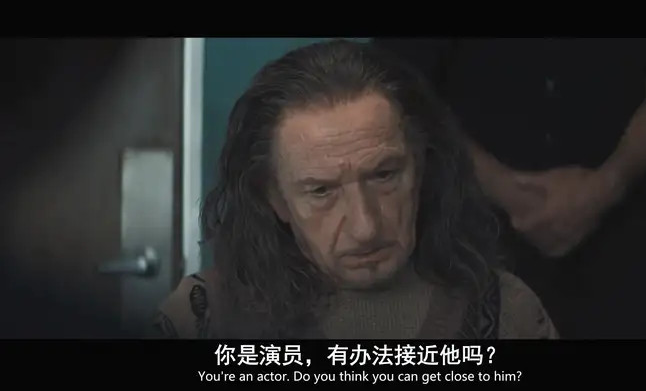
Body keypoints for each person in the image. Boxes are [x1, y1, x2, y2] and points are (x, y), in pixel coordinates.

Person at [151, 39, 558, 339]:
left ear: (421, 170)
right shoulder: (202, 317)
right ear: (275, 200)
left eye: (384, 176)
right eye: (321, 191)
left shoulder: (505, 313)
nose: (365, 227)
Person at [372, 38, 646, 339]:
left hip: (623, 240)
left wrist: (606, 187)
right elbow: (399, 85)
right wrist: (507, 191)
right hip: (471, 241)